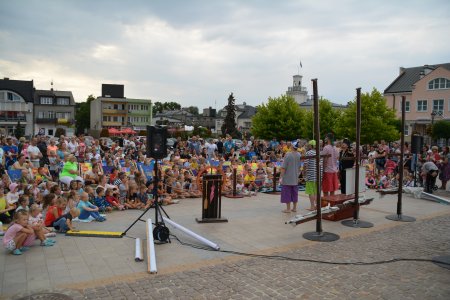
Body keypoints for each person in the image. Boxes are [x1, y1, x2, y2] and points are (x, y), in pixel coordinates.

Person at [279, 142, 301, 213]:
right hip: (295, 177)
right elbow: (299, 167)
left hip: (287, 178)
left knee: (287, 193)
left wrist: (281, 177)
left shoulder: (288, 155)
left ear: (292, 146)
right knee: (294, 193)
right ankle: (294, 208)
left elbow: (283, 168)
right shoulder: (299, 155)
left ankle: (288, 209)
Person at [304, 140, 322, 211]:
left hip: (311, 174)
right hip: (319, 174)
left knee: (311, 191)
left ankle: (312, 207)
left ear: (311, 146)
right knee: (317, 191)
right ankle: (317, 206)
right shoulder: (320, 152)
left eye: (308, 145)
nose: (308, 146)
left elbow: (306, 164)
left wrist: (304, 172)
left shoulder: (309, 152)